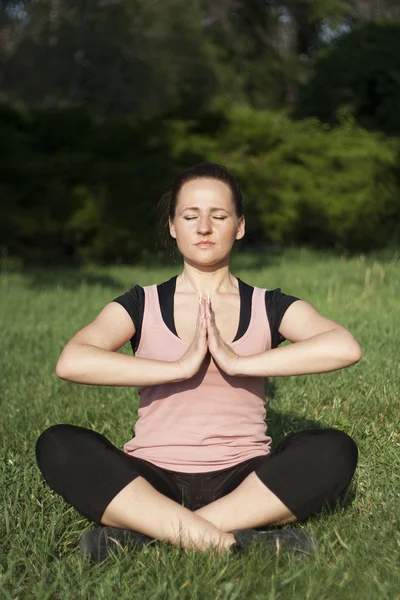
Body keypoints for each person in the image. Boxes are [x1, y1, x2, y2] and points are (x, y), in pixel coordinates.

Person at [36, 162, 361, 563]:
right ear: (173, 226)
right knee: (58, 444)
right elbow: (72, 361)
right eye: (190, 216)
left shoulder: (267, 304)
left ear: (239, 226)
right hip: (152, 477)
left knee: (334, 449)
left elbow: (344, 346)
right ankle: (233, 544)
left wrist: (241, 363)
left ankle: (154, 535)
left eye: (218, 216)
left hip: (244, 480)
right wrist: (178, 368)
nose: (204, 227)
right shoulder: (143, 302)